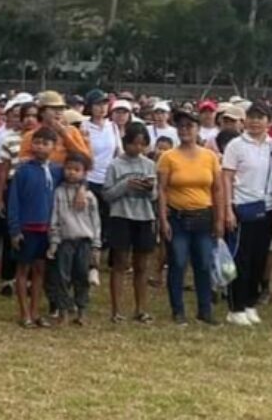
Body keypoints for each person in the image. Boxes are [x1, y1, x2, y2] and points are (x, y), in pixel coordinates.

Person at [157, 109, 223, 326]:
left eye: (190, 126)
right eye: (181, 127)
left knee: (203, 263)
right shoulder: (168, 157)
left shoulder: (209, 156)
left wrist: (219, 219)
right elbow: (162, 190)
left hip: (204, 216)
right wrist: (163, 220)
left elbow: (217, 190)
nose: (185, 130)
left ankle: (205, 309)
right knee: (178, 262)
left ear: (197, 130)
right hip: (177, 217)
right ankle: (178, 310)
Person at [220, 103, 272, 327]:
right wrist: (228, 210)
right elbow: (226, 179)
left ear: (268, 122)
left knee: (259, 259)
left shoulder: (270, 145)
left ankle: (250, 303)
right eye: (251, 117)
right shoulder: (236, 145)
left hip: (267, 208)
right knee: (241, 259)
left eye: (260, 117)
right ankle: (235, 307)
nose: (255, 121)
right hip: (242, 207)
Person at [102, 123, 158, 323]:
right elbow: (107, 194)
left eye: (143, 144)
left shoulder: (149, 165)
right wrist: (126, 185)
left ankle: (141, 309)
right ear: (125, 143)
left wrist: (148, 188)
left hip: (144, 216)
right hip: (121, 216)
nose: (138, 148)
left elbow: (155, 196)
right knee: (120, 263)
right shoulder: (115, 165)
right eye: (134, 144)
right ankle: (116, 310)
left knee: (141, 265)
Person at [8, 127, 62, 328]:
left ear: (54, 147)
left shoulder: (57, 171)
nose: (40, 147)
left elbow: (80, 173)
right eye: (37, 142)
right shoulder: (23, 171)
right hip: (27, 227)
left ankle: (35, 310)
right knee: (23, 269)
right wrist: (15, 229)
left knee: (40, 270)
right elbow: (14, 201)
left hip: (47, 228)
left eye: (45, 143)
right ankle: (24, 313)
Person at [47, 153, 100, 325]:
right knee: (62, 278)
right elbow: (54, 218)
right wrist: (54, 241)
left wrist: (96, 246)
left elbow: (96, 222)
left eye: (76, 170)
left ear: (84, 173)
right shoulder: (58, 193)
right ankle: (63, 311)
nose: (71, 173)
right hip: (64, 241)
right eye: (68, 168)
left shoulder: (90, 196)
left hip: (84, 241)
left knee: (82, 277)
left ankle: (82, 311)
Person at [0, 101, 39, 296]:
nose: (30, 119)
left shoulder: (43, 141)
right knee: (10, 233)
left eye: (34, 116)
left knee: (32, 234)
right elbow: (1, 172)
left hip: (34, 191)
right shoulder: (9, 140)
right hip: (13, 189)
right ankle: (8, 278)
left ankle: (29, 279)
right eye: (26, 115)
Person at [81, 89, 118, 250]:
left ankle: (103, 244)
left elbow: (118, 151)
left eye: (104, 104)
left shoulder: (113, 126)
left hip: (109, 178)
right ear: (90, 107)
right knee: (89, 215)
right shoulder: (84, 126)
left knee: (108, 215)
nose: (102, 108)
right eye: (97, 104)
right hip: (90, 177)